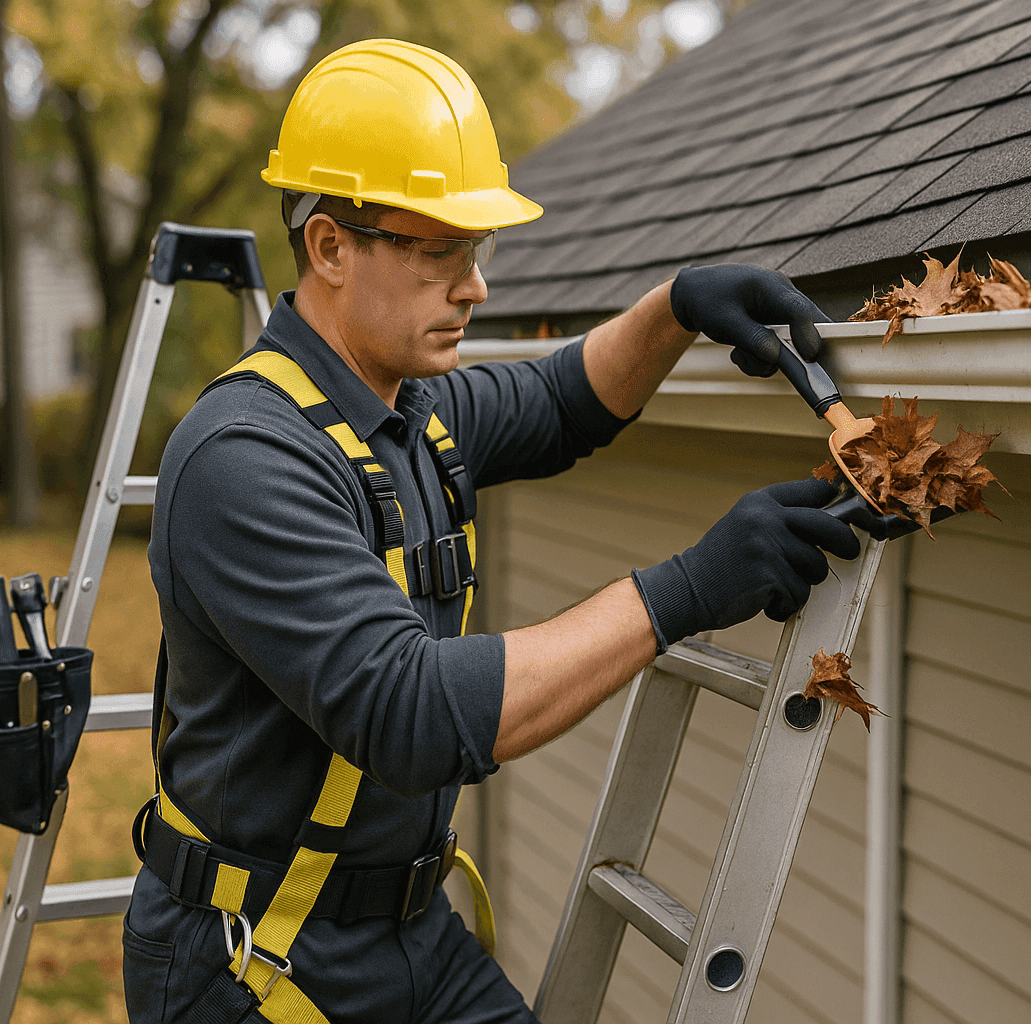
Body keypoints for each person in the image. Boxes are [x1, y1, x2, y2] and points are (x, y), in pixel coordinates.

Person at [123, 39, 857, 1024]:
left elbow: (563, 399)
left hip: (417, 938)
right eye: (440, 253)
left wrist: (678, 306)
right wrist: (689, 588)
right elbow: (412, 714)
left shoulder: (412, 411)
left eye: (478, 254)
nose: (475, 289)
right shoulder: (243, 457)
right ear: (330, 247)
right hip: (258, 959)